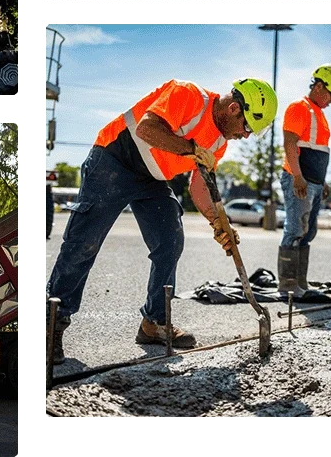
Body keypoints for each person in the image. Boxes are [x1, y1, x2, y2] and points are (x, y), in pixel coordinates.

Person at [46, 78, 277, 361]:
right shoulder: (188, 95)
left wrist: (219, 222)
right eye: (247, 127)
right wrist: (191, 148)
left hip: (152, 178)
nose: (246, 136)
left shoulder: (219, 142)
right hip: (114, 159)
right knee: (84, 243)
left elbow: (200, 187)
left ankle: (154, 323)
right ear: (233, 109)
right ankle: (51, 323)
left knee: (170, 240)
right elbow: (146, 129)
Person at [278, 64, 331, 297]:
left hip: (314, 182)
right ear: (318, 86)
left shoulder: (319, 114)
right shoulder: (300, 108)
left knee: (308, 231)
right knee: (295, 228)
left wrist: (322, 181)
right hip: (300, 180)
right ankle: (288, 285)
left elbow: (317, 150)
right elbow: (290, 143)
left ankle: (300, 283)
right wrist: (297, 176)